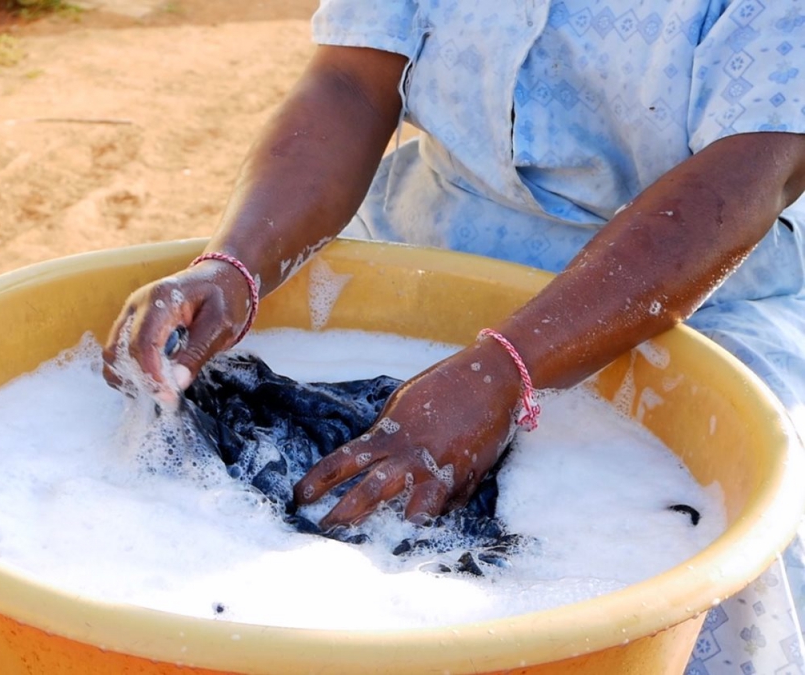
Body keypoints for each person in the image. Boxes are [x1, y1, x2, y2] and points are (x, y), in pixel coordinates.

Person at [103, 1, 805, 672]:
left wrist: (504, 371)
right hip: (426, 254)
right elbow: (352, 80)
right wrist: (235, 266)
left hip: (694, 303)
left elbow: (756, 165)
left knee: (736, 539)